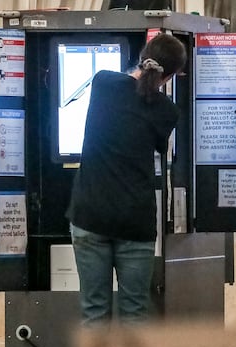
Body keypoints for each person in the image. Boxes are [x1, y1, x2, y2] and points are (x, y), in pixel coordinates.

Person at [66, 34, 187, 326]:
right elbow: (159, 144)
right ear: (171, 76)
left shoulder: (103, 82)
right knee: (134, 314)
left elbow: (129, 84)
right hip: (135, 220)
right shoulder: (166, 110)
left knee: (94, 312)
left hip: (90, 214)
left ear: (143, 55)